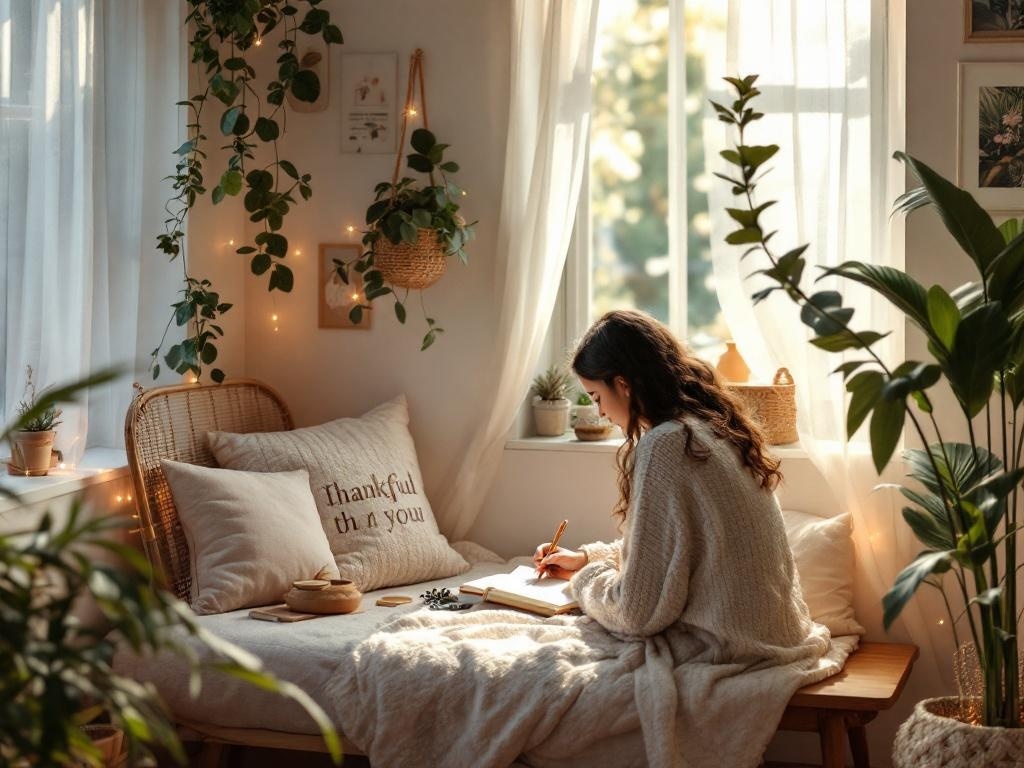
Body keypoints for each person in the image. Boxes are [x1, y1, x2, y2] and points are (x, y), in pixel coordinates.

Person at [533, 310, 826, 655]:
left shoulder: (666, 444)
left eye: (596, 397)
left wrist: (583, 580)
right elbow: (675, 547)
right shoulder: (712, 427)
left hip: (729, 646)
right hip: (776, 631)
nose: (599, 413)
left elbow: (635, 613)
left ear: (623, 384)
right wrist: (586, 558)